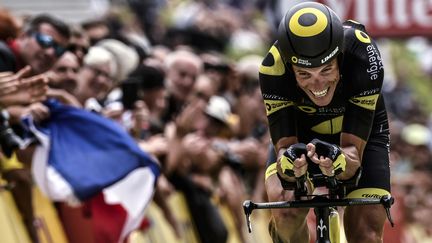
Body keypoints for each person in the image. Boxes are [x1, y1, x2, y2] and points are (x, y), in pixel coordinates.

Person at [259, 2, 390, 243]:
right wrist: (291, 169)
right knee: (286, 219)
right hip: (301, 134)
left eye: (326, 70)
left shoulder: (363, 56)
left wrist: (340, 163)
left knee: (366, 235)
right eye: (304, 74)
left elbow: (353, 155)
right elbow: (284, 147)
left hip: (361, 136)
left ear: (340, 58)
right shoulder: (272, 69)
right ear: (290, 67)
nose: (317, 85)